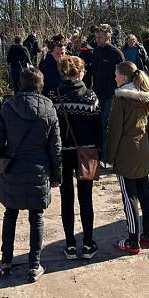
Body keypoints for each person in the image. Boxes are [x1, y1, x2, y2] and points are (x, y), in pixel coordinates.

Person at [0, 68, 61, 283]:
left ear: (20, 83)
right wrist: (56, 173)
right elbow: (55, 146)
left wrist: (3, 157)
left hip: (13, 168)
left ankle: (6, 261)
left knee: (10, 214)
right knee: (36, 217)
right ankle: (34, 265)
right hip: (38, 171)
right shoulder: (49, 108)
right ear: (40, 84)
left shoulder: (9, 106)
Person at [47, 56, 102, 261]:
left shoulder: (52, 96)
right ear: (80, 72)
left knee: (66, 199)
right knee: (86, 199)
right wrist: (99, 152)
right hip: (86, 153)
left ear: (62, 72)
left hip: (62, 153)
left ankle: (70, 244)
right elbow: (98, 129)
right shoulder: (90, 96)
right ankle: (88, 243)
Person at [107, 61, 149, 255]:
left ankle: (132, 240)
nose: (114, 77)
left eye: (116, 74)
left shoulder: (120, 99)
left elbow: (115, 130)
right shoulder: (147, 97)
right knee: (145, 192)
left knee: (129, 198)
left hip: (125, 151)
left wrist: (109, 156)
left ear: (123, 77)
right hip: (143, 149)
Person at [90, 24, 125, 160]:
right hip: (97, 94)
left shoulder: (116, 54)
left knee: (106, 125)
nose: (97, 40)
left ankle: (106, 156)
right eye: (97, 37)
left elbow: (124, 75)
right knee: (98, 125)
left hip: (111, 95)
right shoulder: (96, 51)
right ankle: (100, 153)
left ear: (108, 37)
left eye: (100, 37)